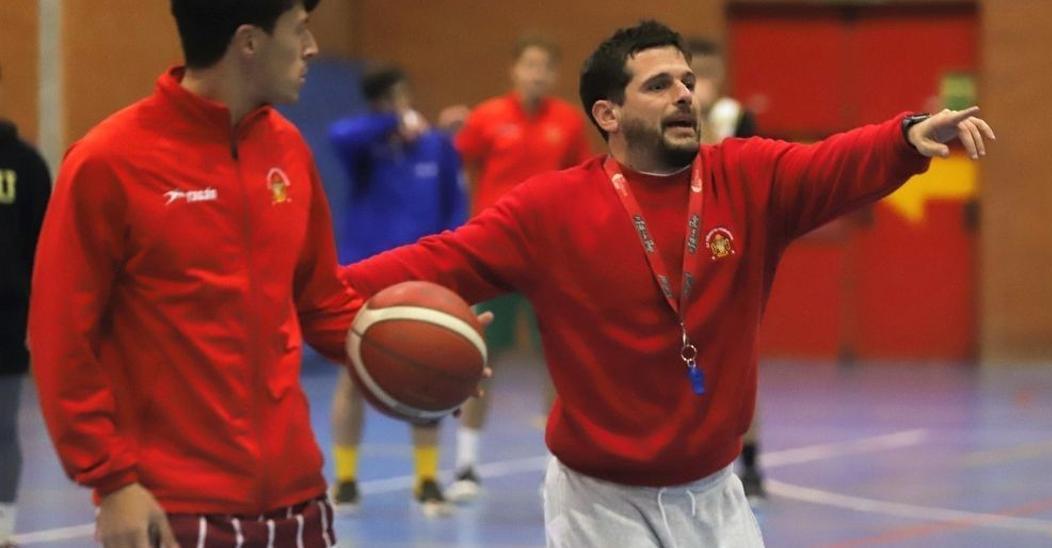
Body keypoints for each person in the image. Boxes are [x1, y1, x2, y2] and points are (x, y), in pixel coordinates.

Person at [342, 20, 994, 547]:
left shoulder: (749, 176)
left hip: (715, 494)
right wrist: (309, 290)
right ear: (608, 113)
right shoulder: (549, 209)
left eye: (687, 80)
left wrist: (907, 137)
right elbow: (435, 260)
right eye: (659, 85)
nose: (685, 93)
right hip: (598, 504)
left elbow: (834, 160)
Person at [28, 2, 367, 546]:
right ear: (249, 42)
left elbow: (323, 303)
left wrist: (410, 346)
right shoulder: (107, 161)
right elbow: (59, 337)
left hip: (299, 502)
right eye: (299, 29)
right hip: (172, 508)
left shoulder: (288, 150)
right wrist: (112, 481)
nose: (312, 48)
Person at [442, 33, 593, 502]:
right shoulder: (487, 117)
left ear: (553, 74)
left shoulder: (567, 122)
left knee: (560, 362)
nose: (536, 74)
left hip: (551, 258)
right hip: (495, 256)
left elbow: (579, 182)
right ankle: (466, 465)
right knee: (481, 357)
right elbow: (465, 168)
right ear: (514, 70)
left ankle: (561, 469)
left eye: (545, 67)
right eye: (529, 65)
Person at [326, 66, 468, 517]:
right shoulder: (364, 147)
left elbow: (455, 209)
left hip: (423, 278)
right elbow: (339, 135)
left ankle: (427, 480)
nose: (399, 106)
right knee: (352, 377)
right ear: (376, 105)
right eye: (388, 101)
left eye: (401, 99)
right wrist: (391, 124)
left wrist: (455, 273)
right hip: (362, 277)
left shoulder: (436, 146)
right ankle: (345, 480)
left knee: (429, 375)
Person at [686, 36, 769, 504]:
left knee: (739, 357)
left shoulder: (737, 117)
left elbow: (752, 176)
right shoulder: (670, 116)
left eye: (711, 71)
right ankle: (690, 454)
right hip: (681, 251)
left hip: (729, 247)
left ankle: (752, 461)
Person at [0, 63, 53, 548]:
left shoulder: (25, 165)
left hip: (5, 321)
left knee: (1, 428)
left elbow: (46, 247)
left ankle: (2, 528)